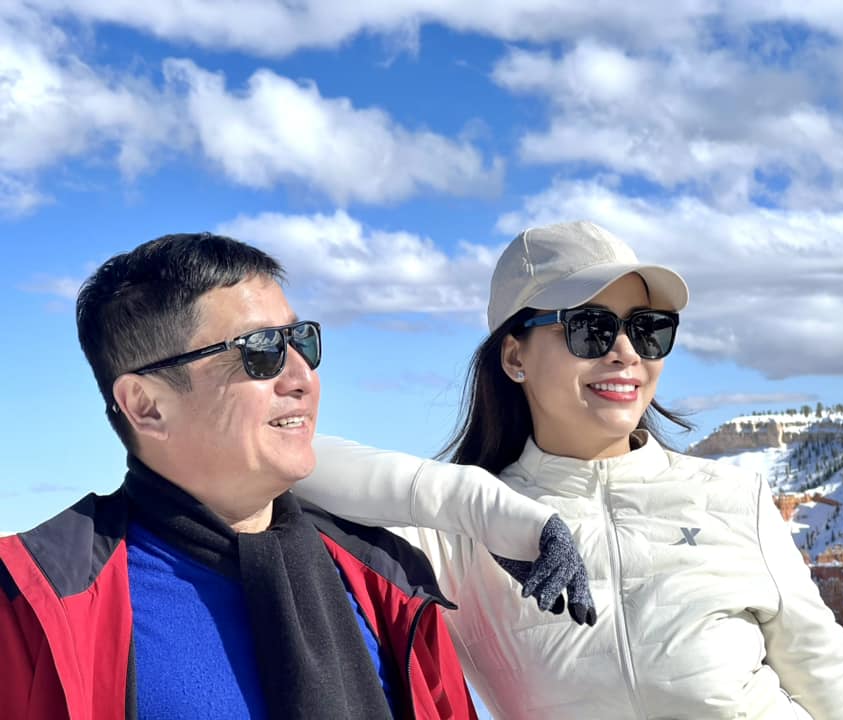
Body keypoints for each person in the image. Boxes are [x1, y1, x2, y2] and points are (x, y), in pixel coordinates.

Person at [298, 221, 843, 719]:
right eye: (591, 328)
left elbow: (842, 697)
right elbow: (289, 463)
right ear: (514, 355)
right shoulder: (460, 539)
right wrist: (484, 505)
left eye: (648, 329)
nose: (627, 352)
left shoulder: (734, 498)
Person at [0, 232, 592, 720]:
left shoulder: (384, 577)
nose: (302, 376)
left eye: (300, 340)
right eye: (259, 351)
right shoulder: (32, 599)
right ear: (147, 406)